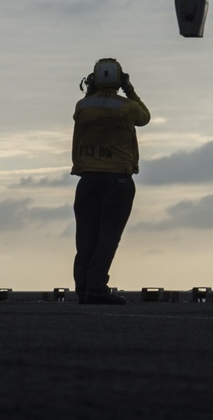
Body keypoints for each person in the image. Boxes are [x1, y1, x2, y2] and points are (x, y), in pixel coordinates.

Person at [70, 58, 150, 305]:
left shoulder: (82, 107)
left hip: (88, 179)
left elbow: (86, 107)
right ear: (120, 80)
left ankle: (84, 289)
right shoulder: (126, 107)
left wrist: (93, 88)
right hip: (118, 179)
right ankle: (96, 287)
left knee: (86, 238)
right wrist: (129, 88)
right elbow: (145, 117)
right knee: (108, 237)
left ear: (92, 79)